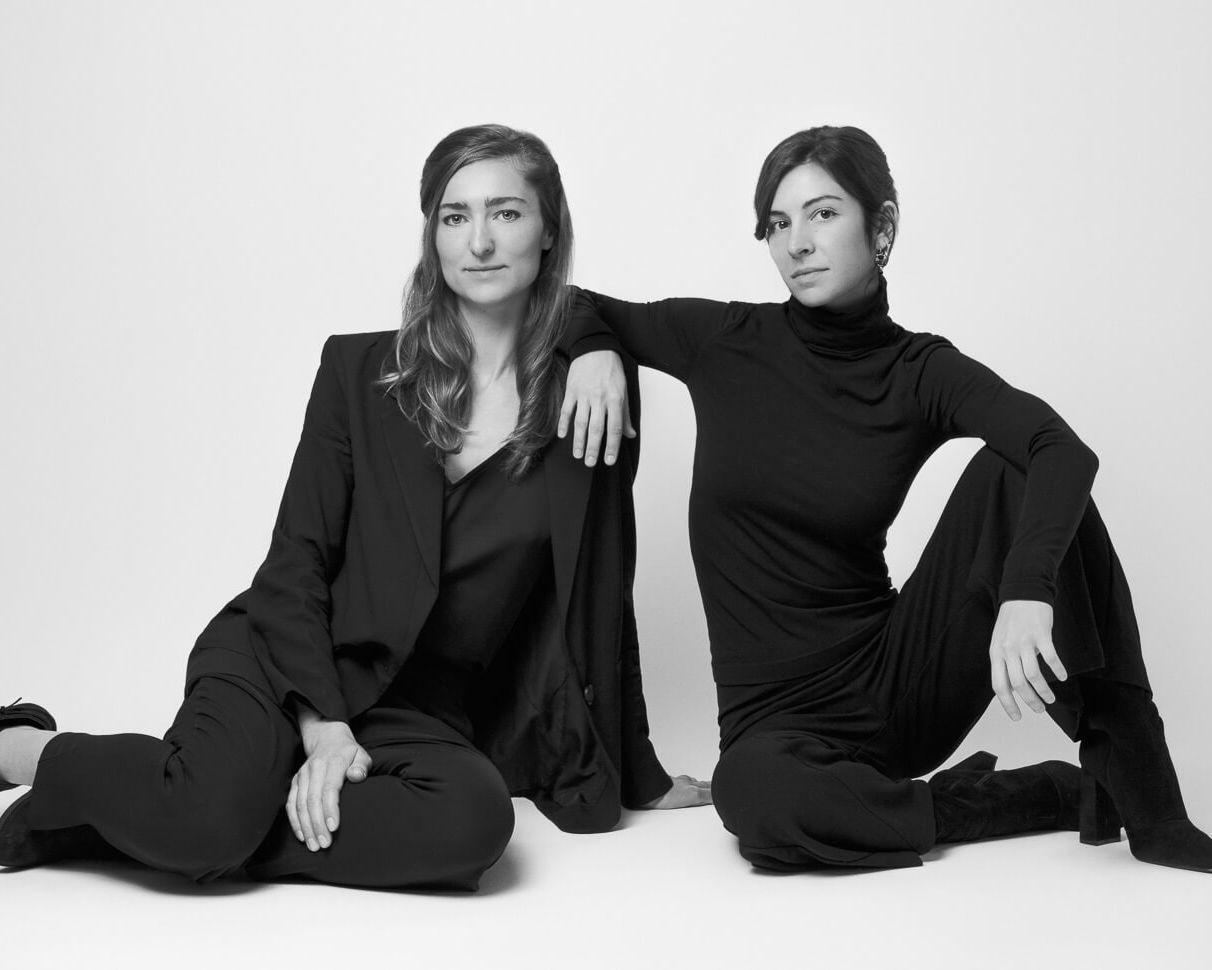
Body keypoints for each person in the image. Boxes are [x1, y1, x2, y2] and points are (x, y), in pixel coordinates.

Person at [0, 124, 709, 890]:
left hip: (413, 708)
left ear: (548, 230)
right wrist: (322, 727)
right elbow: (296, 557)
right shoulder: (359, 370)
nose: (478, 241)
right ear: (432, 236)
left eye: (506, 213)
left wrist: (639, 772)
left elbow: (606, 580)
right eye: (453, 215)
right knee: (208, 814)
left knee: (472, 827)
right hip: (285, 659)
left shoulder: (588, 395)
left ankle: (193, 813)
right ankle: (29, 751)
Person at [557, 124, 1211, 872]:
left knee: (1019, 471)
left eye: (823, 213)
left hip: (899, 686)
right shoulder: (724, 340)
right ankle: (1035, 797)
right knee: (754, 800)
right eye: (778, 222)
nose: (796, 241)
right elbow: (568, 301)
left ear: (884, 226)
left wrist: (1026, 591)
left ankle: (1150, 803)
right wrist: (595, 349)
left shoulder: (917, 369)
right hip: (776, 730)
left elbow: (1059, 449)